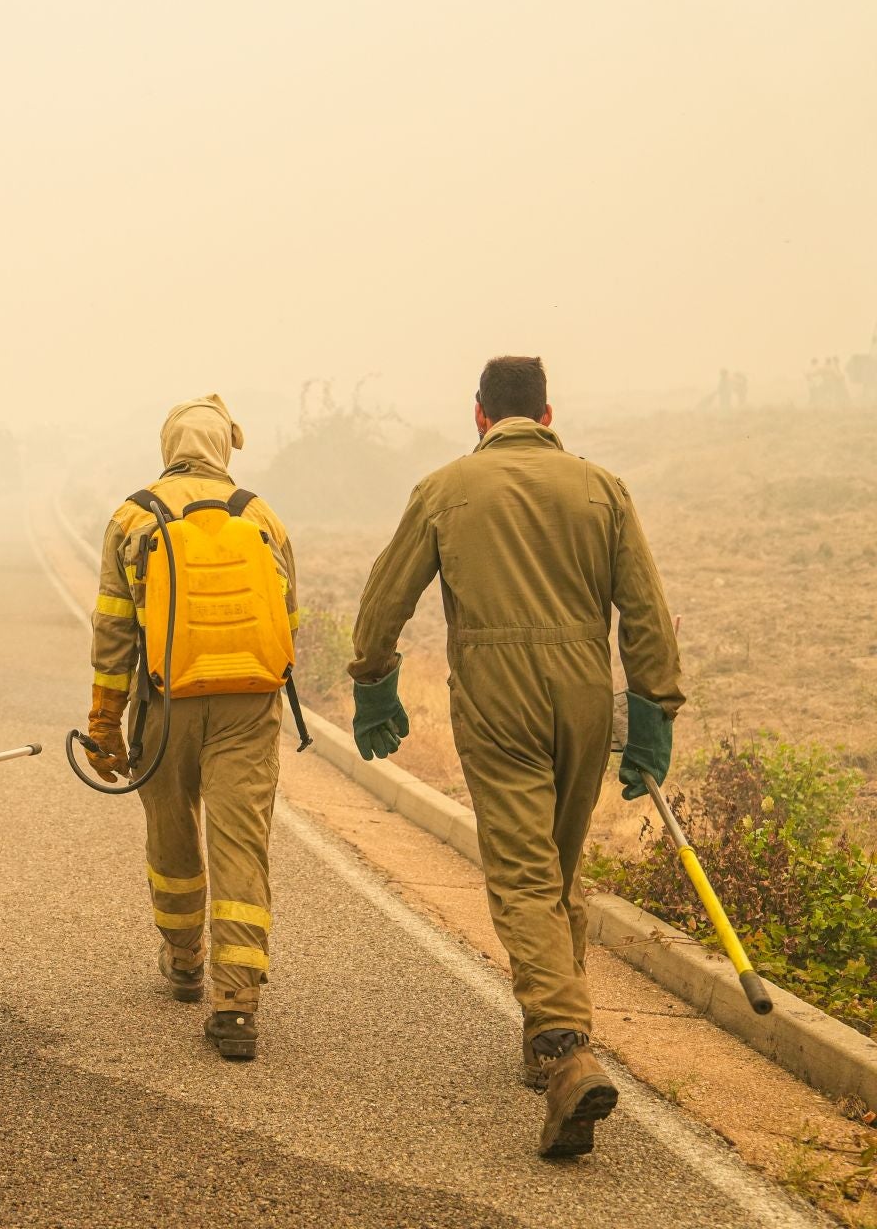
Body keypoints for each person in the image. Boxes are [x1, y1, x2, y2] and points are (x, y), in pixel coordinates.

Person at [346, 357, 683, 1158]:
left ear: (479, 416)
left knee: (525, 875)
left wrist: (374, 680)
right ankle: (550, 1043)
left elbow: (387, 594)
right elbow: (644, 607)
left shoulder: (446, 488)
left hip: (498, 694)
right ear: (548, 412)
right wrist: (652, 714)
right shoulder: (602, 488)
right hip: (581, 694)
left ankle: (566, 1049)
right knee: (558, 872)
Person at [82, 394, 298, 1061]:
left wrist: (104, 720)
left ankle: (183, 961)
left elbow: (114, 629)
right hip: (248, 706)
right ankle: (237, 1005)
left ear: (169, 445)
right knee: (242, 844)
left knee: (171, 830)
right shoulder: (261, 514)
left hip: (164, 700)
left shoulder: (132, 514)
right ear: (224, 447)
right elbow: (286, 610)